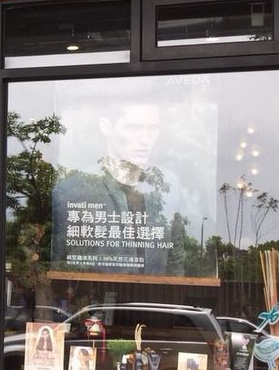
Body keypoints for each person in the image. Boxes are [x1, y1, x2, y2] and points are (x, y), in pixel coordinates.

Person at [51, 100, 186, 276]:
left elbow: (176, 260)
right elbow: (62, 264)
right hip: (96, 292)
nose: (145, 140)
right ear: (106, 127)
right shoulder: (73, 189)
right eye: (133, 128)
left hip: (156, 292)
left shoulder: (170, 185)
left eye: (153, 128)